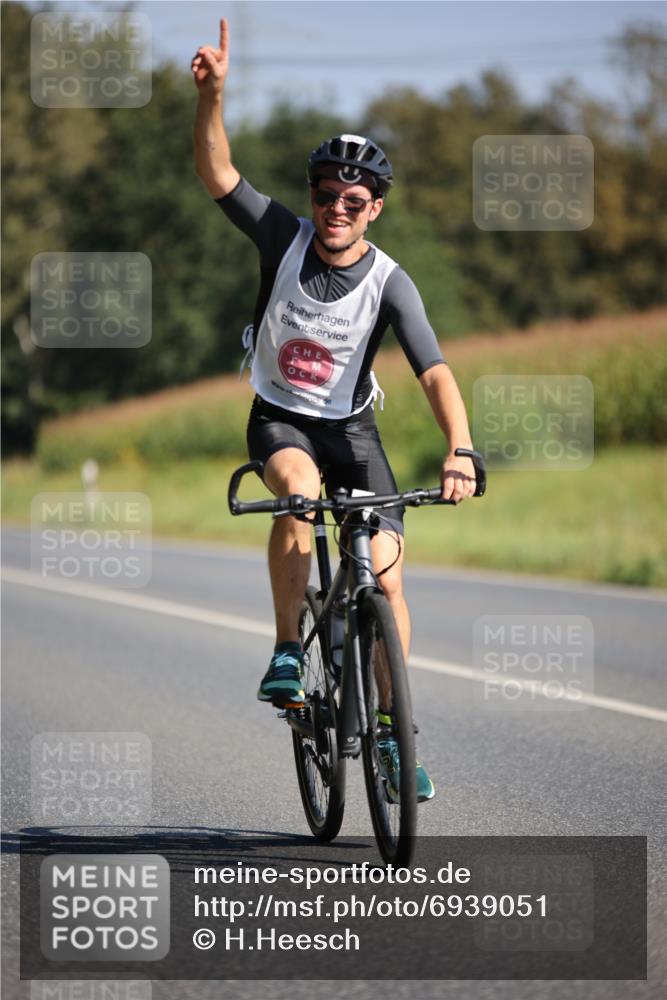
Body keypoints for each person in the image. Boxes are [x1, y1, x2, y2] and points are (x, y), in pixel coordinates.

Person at [192, 18, 477, 804]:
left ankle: (390, 734)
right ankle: (288, 649)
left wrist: (460, 448)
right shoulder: (282, 235)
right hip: (280, 416)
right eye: (326, 194)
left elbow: (435, 371)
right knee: (298, 494)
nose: (336, 208)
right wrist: (213, 97)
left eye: (354, 198)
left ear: (374, 208)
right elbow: (217, 170)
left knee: (385, 580)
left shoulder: (392, 281)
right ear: (313, 198)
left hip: (353, 430)